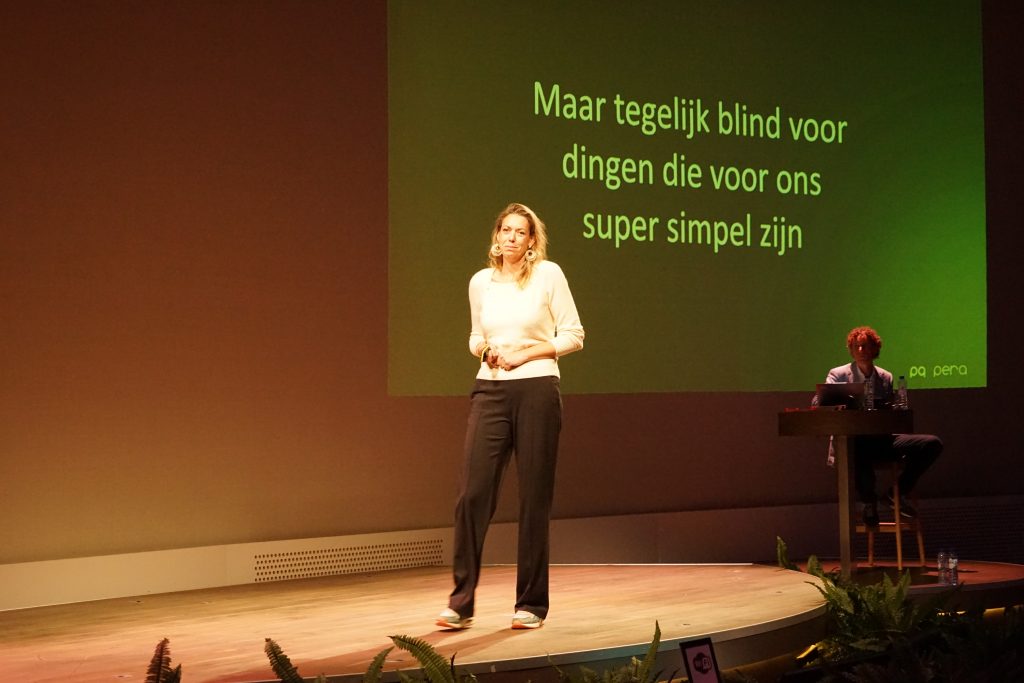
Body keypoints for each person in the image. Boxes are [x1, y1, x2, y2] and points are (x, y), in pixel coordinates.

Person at [437, 203, 584, 631]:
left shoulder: (548, 275)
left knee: (534, 498)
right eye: (506, 230)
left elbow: (573, 335)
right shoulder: (480, 282)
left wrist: (526, 354)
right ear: (496, 235)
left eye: (521, 232)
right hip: (490, 389)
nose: (512, 238)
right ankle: (461, 602)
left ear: (532, 240)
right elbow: (475, 336)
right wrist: (487, 351)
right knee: (472, 495)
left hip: (537, 389)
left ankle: (531, 604)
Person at [817, 326, 943, 527]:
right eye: (856, 346)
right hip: (853, 442)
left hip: (882, 440)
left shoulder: (885, 377)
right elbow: (821, 400)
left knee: (932, 444)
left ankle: (896, 493)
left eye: (865, 346)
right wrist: (840, 400)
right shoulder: (838, 374)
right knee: (857, 446)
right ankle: (869, 503)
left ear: (874, 349)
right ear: (851, 350)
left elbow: (891, 409)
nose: (861, 350)